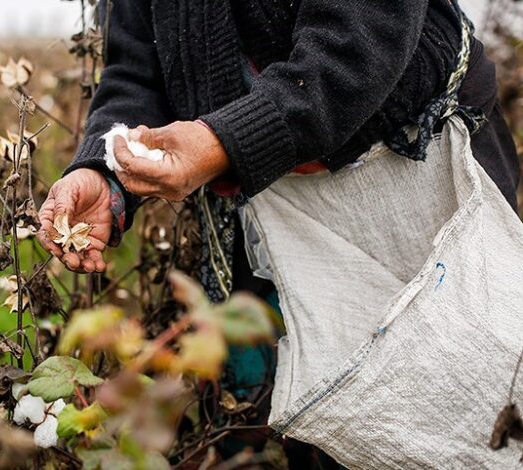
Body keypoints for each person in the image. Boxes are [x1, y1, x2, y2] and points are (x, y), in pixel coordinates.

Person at [37, 0, 519, 467]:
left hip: (408, 176)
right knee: (283, 419)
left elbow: (362, 38)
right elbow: (137, 72)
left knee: (456, 404)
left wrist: (224, 141)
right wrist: (106, 170)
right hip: (261, 210)